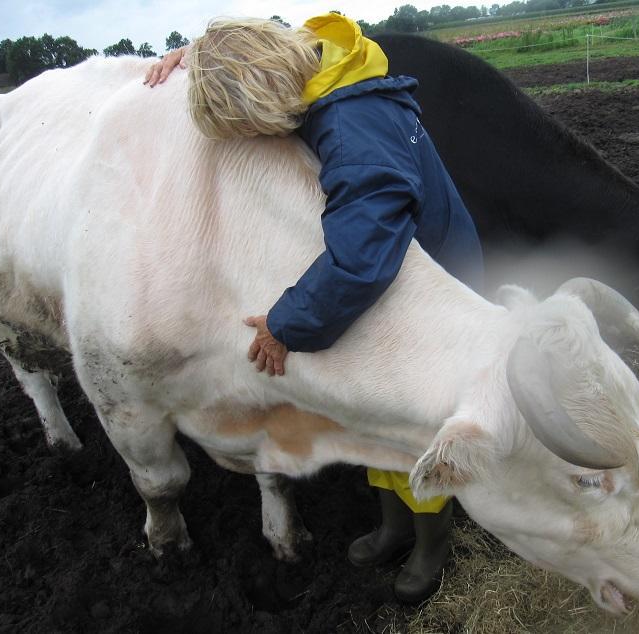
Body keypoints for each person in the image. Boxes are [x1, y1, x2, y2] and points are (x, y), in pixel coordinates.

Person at [145, 13, 483, 604]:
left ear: (263, 95)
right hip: (412, 269)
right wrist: (195, 52)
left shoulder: (354, 129)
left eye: (248, 124)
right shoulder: (328, 67)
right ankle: (394, 526)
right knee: (376, 420)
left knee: (412, 426)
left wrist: (285, 324)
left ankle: (432, 544)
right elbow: (261, 36)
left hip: (428, 290)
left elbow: (360, 257)